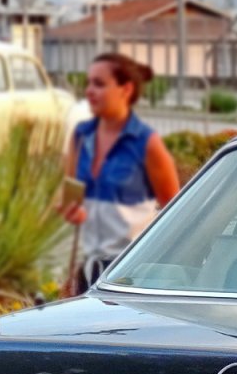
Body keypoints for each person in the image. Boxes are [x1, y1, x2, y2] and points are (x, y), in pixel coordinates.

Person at [61, 53, 181, 290]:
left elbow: (176, 213)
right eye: (88, 83)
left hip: (130, 276)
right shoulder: (81, 135)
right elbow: (70, 201)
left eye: (99, 84)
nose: (89, 91)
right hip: (87, 272)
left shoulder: (146, 143)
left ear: (125, 89)